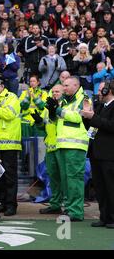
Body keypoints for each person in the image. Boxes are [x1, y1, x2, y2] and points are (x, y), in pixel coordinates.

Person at [45, 77, 89, 221]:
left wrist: (58, 110)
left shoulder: (84, 98)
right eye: (63, 85)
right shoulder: (65, 100)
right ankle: (70, 208)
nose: (64, 88)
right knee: (66, 180)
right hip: (62, 145)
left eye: (66, 85)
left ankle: (76, 211)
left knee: (74, 179)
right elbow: (55, 121)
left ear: (76, 85)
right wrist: (52, 111)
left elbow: (79, 117)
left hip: (76, 146)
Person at [81, 80, 114, 229]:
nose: (99, 92)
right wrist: (86, 116)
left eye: (102, 90)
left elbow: (110, 126)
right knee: (100, 187)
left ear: (109, 90)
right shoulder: (100, 106)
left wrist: (93, 116)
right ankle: (104, 216)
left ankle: (112, 218)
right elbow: (92, 127)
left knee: (111, 187)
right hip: (96, 153)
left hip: (109, 155)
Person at [0, 75, 21, 216]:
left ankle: (11, 205)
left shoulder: (11, 97)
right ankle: (3, 202)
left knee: (9, 176)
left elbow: (9, 114)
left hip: (9, 144)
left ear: (2, 86)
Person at [38, 84, 66, 215]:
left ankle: (67, 205)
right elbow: (45, 125)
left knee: (64, 177)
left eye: (57, 91)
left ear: (63, 92)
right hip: (50, 147)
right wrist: (38, 122)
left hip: (62, 146)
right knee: (53, 177)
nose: (55, 93)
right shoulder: (47, 105)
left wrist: (56, 110)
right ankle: (55, 204)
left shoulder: (65, 105)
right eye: (53, 91)